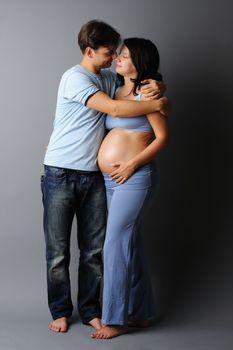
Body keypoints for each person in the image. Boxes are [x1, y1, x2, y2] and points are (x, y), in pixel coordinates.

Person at [41, 20, 169, 333]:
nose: (114, 58)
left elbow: (143, 102)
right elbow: (115, 107)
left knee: (99, 249)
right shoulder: (77, 78)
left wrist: (157, 89)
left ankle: (103, 315)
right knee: (59, 251)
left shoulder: (111, 79)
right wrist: (157, 100)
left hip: (103, 178)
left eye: (119, 54)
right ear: (90, 51)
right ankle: (63, 312)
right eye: (111, 53)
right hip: (62, 172)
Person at [91, 38, 169, 339]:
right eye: (119, 54)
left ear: (141, 60)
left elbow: (162, 137)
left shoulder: (146, 91)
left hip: (135, 178)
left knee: (114, 244)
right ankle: (141, 312)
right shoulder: (116, 89)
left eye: (125, 55)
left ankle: (116, 318)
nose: (118, 58)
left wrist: (132, 164)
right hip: (112, 180)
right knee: (130, 246)